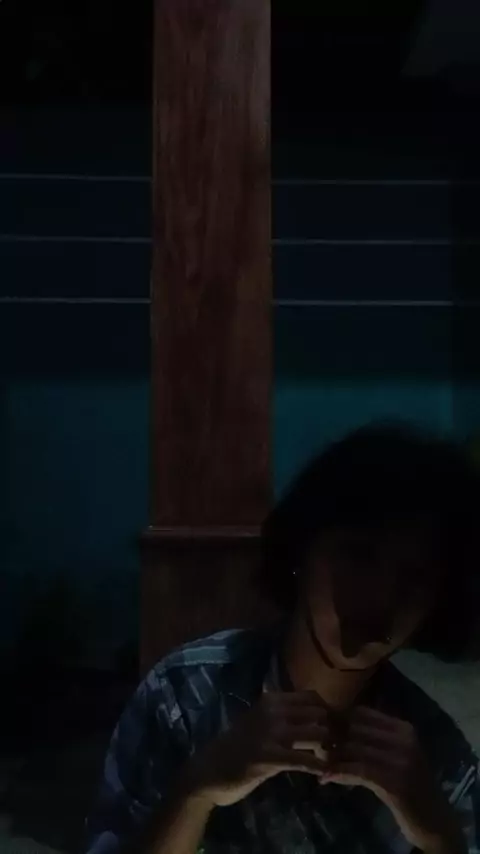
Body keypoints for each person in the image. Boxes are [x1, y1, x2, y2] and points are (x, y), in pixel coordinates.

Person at [85, 422, 480, 854]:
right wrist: (197, 789)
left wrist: (439, 834)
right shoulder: (184, 699)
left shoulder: (436, 758)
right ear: (301, 550)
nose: (382, 596)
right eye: (358, 554)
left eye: (415, 577)